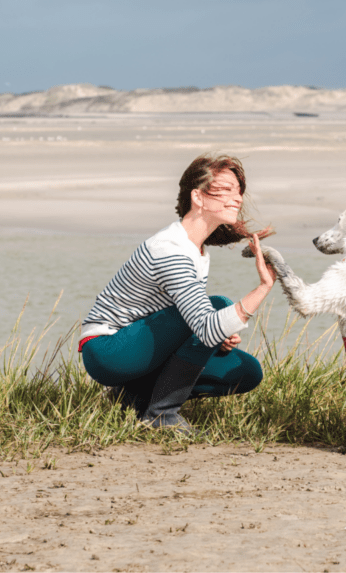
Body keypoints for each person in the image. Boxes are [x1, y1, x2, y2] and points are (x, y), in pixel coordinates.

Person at [78, 154, 276, 434]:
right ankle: (162, 415)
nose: (238, 198)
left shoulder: (195, 249)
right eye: (228, 189)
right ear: (198, 197)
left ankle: (133, 398)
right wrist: (263, 288)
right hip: (108, 351)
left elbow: (197, 326)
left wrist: (217, 335)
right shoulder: (171, 250)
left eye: (239, 191)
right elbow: (204, 327)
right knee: (217, 306)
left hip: (139, 349)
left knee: (246, 372)